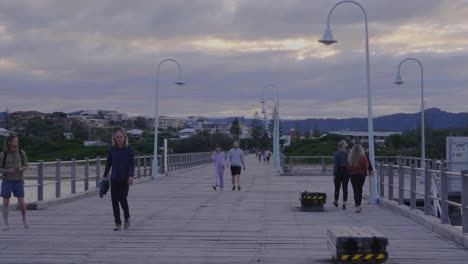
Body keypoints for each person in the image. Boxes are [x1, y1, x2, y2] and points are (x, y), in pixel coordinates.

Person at [103, 130, 135, 231]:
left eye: (121, 137)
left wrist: (131, 176)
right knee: (114, 201)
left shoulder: (129, 149)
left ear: (124, 138)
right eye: (117, 137)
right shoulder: (111, 149)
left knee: (123, 199)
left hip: (125, 178)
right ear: (114, 139)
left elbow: (132, 164)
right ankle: (117, 223)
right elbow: (108, 164)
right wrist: (105, 176)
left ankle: (127, 218)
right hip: (114, 178)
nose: (119, 139)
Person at [0, 134, 29, 230]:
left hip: (18, 181)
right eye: (15, 141)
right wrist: (7, 171)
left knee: (21, 202)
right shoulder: (3, 154)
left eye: (17, 141)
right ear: (9, 142)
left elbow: (26, 165)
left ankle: (24, 220)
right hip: (7, 181)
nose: (17, 142)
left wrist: (21, 169)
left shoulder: (21, 153)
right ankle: (6, 223)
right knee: (6, 202)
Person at [347, 142, 369, 213]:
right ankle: (359, 205)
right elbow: (366, 166)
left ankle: (357, 206)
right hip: (361, 175)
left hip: (353, 175)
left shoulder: (350, 156)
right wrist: (365, 172)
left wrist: (350, 172)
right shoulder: (363, 156)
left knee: (355, 190)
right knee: (360, 190)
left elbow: (348, 167)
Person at [332, 140, 349, 210]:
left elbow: (335, 165)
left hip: (338, 171)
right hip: (346, 172)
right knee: (345, 188)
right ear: (343, 146)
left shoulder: (336, 154)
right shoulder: (348, 154)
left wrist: (334, 174)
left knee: (337, 187)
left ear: (339, 146)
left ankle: (336, 201)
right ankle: (344, 204)